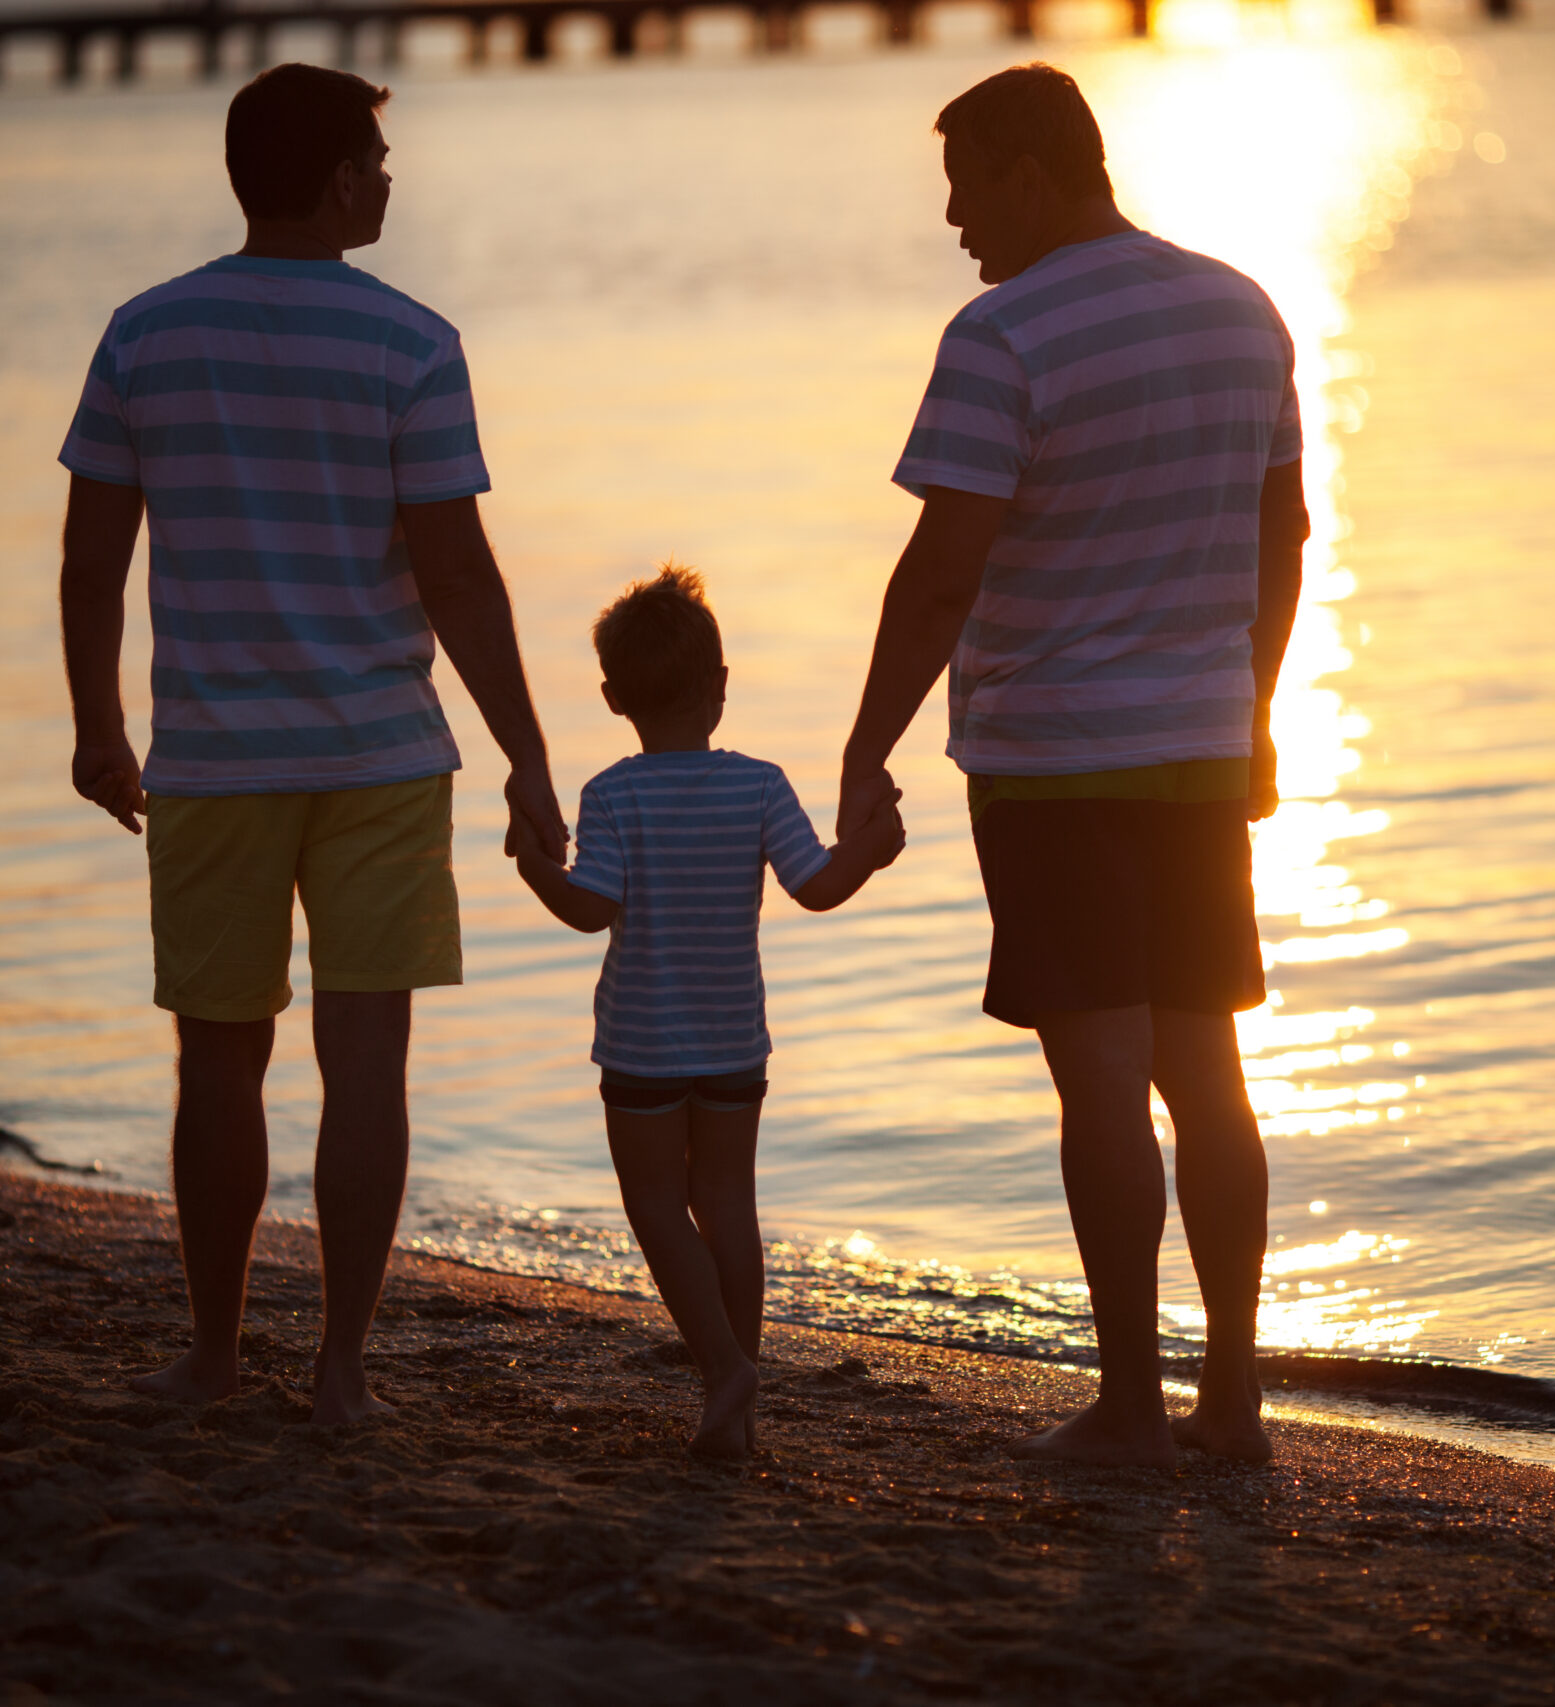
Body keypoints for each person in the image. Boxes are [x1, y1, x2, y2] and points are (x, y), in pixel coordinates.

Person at [56, 63, 566, 1425]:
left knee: (216, 1063)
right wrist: (524, 752)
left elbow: (92, 559)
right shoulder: (411, 343)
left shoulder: (145, 334)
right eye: (380, 159)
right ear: (340, 179)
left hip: (213, 756)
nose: (391, 178)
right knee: (366, 1064)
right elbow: (459, 577)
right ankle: (340, 1366)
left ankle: (217, 1353)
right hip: (381, 754)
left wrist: (98, 723)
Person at [836, 64, 1310, 1467]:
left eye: (967, 181)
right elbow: (1282, 536)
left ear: (1037, 170)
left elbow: (938, 577)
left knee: (1100, 1082)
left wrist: (866, 746)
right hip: (1200, 745)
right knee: (1208, 1077)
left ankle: (1128, 1408)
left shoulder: (1003, 335)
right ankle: (1232, 1396)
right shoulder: (1244, 306)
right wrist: (1254, 703)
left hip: (1055, 755)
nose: (953, 217)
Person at [512, 567, 905, 1458]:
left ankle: (726, 1368)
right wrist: (872, 849)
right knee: (728, 1202)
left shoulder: (612, 794)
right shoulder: (759, 785)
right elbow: (815, 885)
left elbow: (588, 907)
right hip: (735, 1042)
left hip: (644, 1047)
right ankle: (738, 1410)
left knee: (656, 1206)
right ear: (721, 685)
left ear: (613, 698)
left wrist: (532, 863)